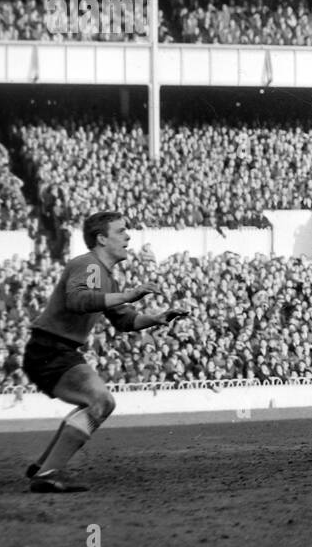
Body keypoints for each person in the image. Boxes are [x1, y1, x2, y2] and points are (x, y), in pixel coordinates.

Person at [22, 211, 188, 492]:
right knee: (101, 402)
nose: (128, 236)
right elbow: (78, 299)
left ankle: (43, 465)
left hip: (55, 350)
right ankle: (48, 472)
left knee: (96, 402)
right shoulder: (89, 265)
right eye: (121, 231)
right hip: (50, 349)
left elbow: (124, 320)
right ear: (101, 238)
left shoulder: (105, 277)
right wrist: (127, 295)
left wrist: (156, 318)